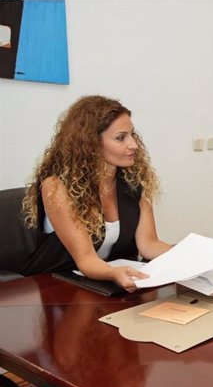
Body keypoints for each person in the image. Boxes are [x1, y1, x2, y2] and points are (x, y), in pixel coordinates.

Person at [22, 95, 171, 291]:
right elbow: (86, 259)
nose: (134, 144)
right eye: (121, 138)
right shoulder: (56, 187)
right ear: (91, 143)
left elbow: (149, 244)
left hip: (107, 284)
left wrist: (205, 256)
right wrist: (113, 273)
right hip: (57, 287)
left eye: (132, 134)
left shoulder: (134, 183)